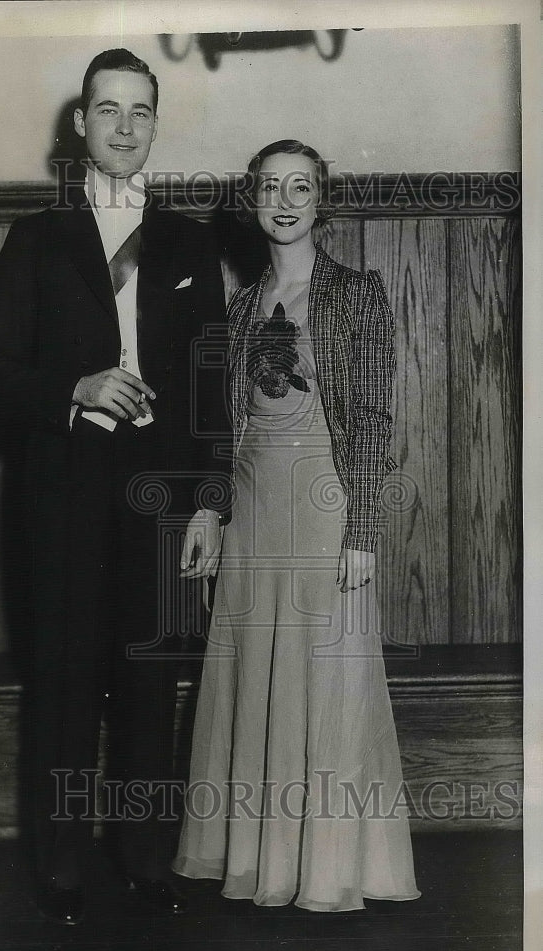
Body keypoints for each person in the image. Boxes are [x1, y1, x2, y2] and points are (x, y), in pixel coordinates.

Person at [0, 49, 230, 926]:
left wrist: (212, 502)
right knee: (65, 685)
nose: (123, 126)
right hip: (63, 491)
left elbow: (211, 383)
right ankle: (61, 871)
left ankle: (146, 860)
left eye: (139, 111)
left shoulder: (189, 242)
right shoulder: (36, 240)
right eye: (106, 110)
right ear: (80, 125)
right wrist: (73, 388)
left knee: (151, 685)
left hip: (163, 497)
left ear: (156, 124)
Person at [172, 139, 421, 910]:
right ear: (252, 202)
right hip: (251, 514)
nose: (284, 201)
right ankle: (259, 862)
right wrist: (211, 510)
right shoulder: (237, 307)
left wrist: (364, 531)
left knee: (325, 681)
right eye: (270, 188)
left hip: (325, 507)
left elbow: (375, 418)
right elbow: (220, 427)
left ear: (322, 201)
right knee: (254, 678)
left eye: (300, 188)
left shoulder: (358, 293)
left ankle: (325, 868)